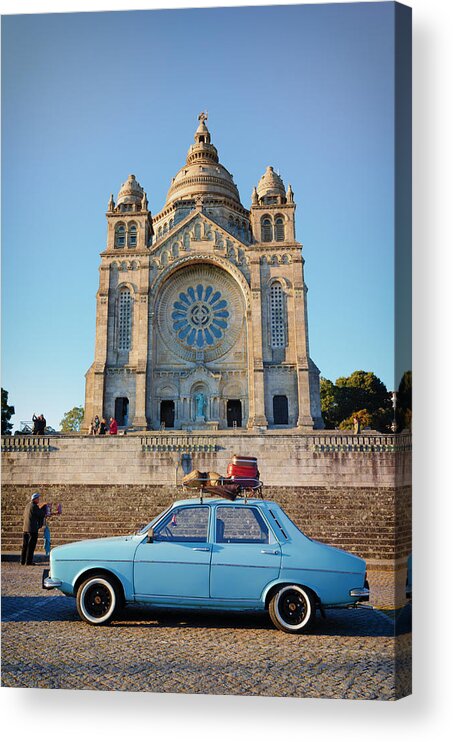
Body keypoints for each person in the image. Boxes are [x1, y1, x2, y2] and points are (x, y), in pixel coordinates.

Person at [21, 492, 47, 565]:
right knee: (31, 546)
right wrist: (44, 508)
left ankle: (22, 561)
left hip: (25, 528)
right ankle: (29, 562)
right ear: (35, 499)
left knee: (25, 546)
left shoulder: (27, 505)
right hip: (32, 529)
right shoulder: (34, 506)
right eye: (38, 498)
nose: (39, 500)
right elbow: (41, 514)